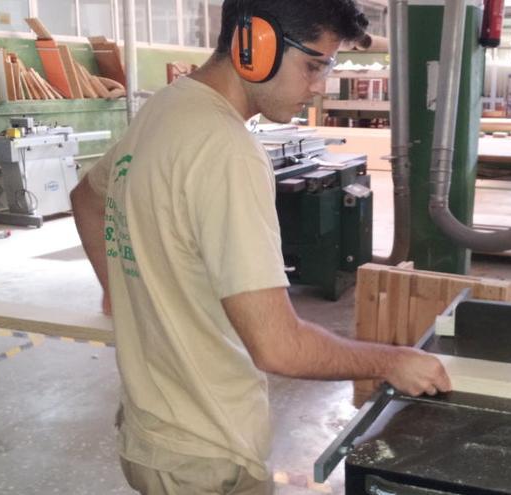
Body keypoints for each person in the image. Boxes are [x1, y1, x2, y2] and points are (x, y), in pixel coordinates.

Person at [70, 0, 452, 493]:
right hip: (207, 456)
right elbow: (278, 347)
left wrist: (120, 292)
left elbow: (87, 199)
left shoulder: (167, 106)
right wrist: (390, 361)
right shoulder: (227, 149)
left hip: (152, 437)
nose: (319, 87)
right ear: (254, 45)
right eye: (313, 64)